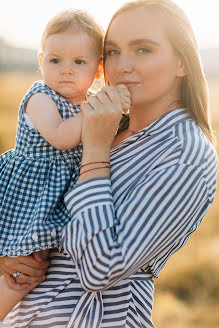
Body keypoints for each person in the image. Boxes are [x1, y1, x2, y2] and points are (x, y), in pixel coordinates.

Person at [1, 0, 218, 327]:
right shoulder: (105, 122)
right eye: (113, 51)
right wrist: (11, 250)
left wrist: (96, 149)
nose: (123, 66)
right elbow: (33, 194)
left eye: (143, 50)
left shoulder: (185, 153)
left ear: (181, 63)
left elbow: (98, 269)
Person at [0, 8, 130, 320]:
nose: (66, 70)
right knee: (25, 268)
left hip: (56, 195)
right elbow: (62, 137)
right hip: (28, 193)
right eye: (55, 60)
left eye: (78, 62)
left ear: (98, 70)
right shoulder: (40, 97)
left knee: (39, 265)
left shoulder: (87, 103)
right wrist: (95, 110)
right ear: (41, 61)